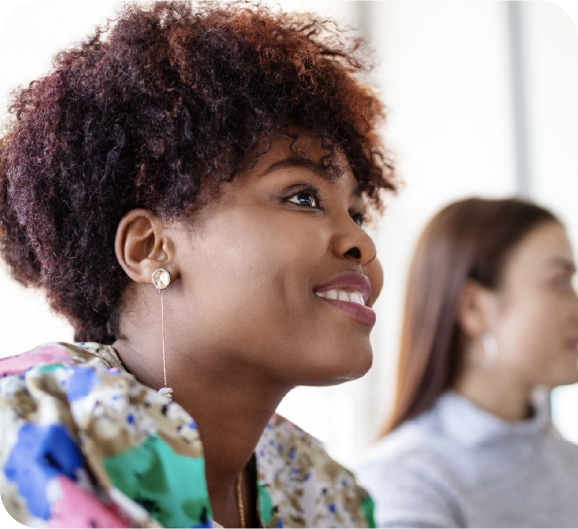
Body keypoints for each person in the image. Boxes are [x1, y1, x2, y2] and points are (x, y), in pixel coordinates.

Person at [0, 1, 396, 528]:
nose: (361, 245)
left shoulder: (326, 492)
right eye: (302, 197)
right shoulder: (32, 433)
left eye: (358, 213)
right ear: (149, 248)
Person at [357, 197, 578, 529]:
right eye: (559, 281)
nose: (574, 304)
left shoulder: (569, 462)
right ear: (473, 306)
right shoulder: (406, 478)